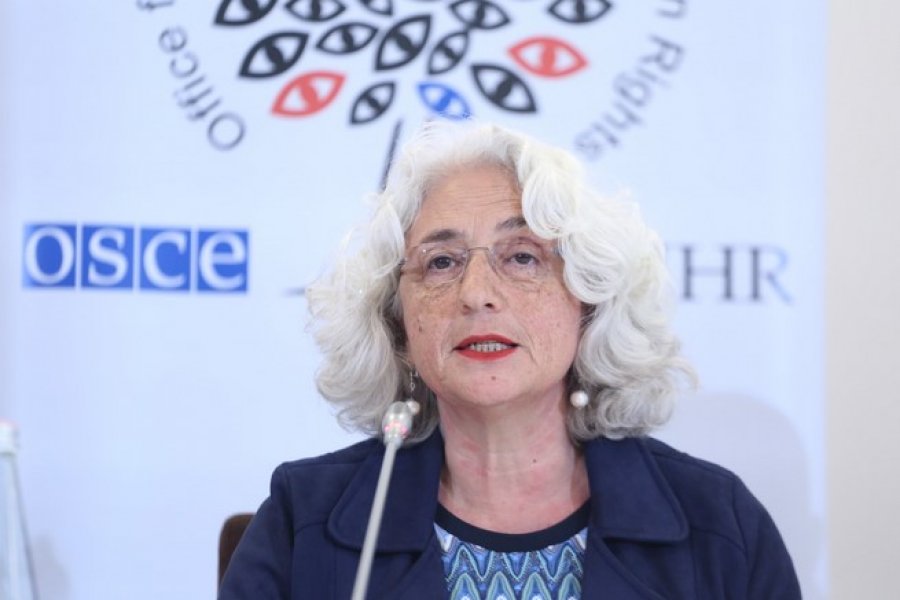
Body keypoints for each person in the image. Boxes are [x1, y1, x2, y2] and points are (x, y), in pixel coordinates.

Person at [218, 120, 801, 599]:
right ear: (398, 324)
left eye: (522, 256)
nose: (477, 293)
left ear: (588, 302)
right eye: (441, 262)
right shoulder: (304, 522)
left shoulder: (716, 525)